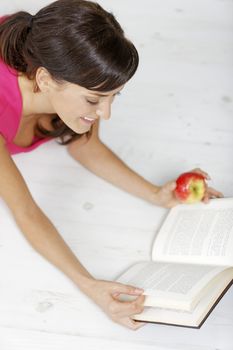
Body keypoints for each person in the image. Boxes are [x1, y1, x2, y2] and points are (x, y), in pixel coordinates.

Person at [0, 0, 223, 330]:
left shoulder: (75, 75)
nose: (105, 114)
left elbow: (87, 148)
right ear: (44, 80)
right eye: (93, 100)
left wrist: (155, 195)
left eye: (114, 96)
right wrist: (90, 286)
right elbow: (26, 212)